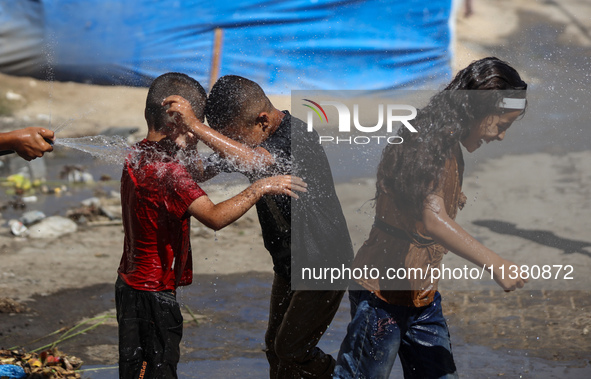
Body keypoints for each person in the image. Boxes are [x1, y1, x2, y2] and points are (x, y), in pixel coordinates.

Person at [333, 57, 529, 379]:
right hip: (381, 295)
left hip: (421, 296)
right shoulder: (424, 139)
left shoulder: (446, 141)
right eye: (501, 126)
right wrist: (495, 263)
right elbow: (433, 218)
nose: (501, 137)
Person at [116, 72, 306, 379]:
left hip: (131, 284)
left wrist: (191, 141)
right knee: (157, 371)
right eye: (191, 126)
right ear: (178, 122)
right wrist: (260, 187)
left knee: (136, 369)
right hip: (153, 292)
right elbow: (215, 216)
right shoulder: (168, 172)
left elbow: (201, 170)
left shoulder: (139, 153)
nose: (197, 136)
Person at [163, 75, 354, 378]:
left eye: (234, 137)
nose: (231, 145)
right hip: (289, 263)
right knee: (275, 348)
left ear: (262, 121)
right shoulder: (250, 141)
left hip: (324, 261)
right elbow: (200, 172)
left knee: (291, 349)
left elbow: (257, 163)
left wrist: (199, 126)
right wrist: (191, 138)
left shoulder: (296, 136)